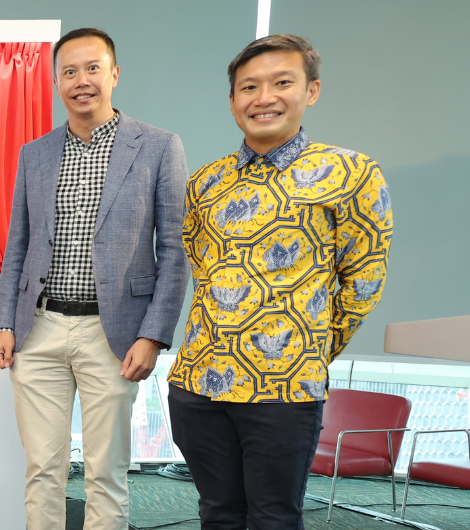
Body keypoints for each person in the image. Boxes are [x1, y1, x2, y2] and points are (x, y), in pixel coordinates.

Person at [168, 34, 392, 529]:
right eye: (249, 87)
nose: (263, 97)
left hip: (284, 390)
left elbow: (364, 282)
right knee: (218, 513)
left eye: (282, 82)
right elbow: (201, 268)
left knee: (273, 517)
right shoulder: (205, 183)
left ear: (311, 91)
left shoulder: (350, 172)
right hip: (198, 386)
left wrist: (304, 351)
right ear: (232, 102)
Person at [0, 28, 190, 530]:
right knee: (43, 471)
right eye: (70, 71)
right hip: (39, 330)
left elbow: (175, 249)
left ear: (114, 74)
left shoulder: (159, 147)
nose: (82, 80)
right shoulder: (34, 154)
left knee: (107, 473)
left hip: (115, 335)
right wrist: (4, 324)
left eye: (93, 68)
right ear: (57, 81)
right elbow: (17, 245)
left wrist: (153, 335)